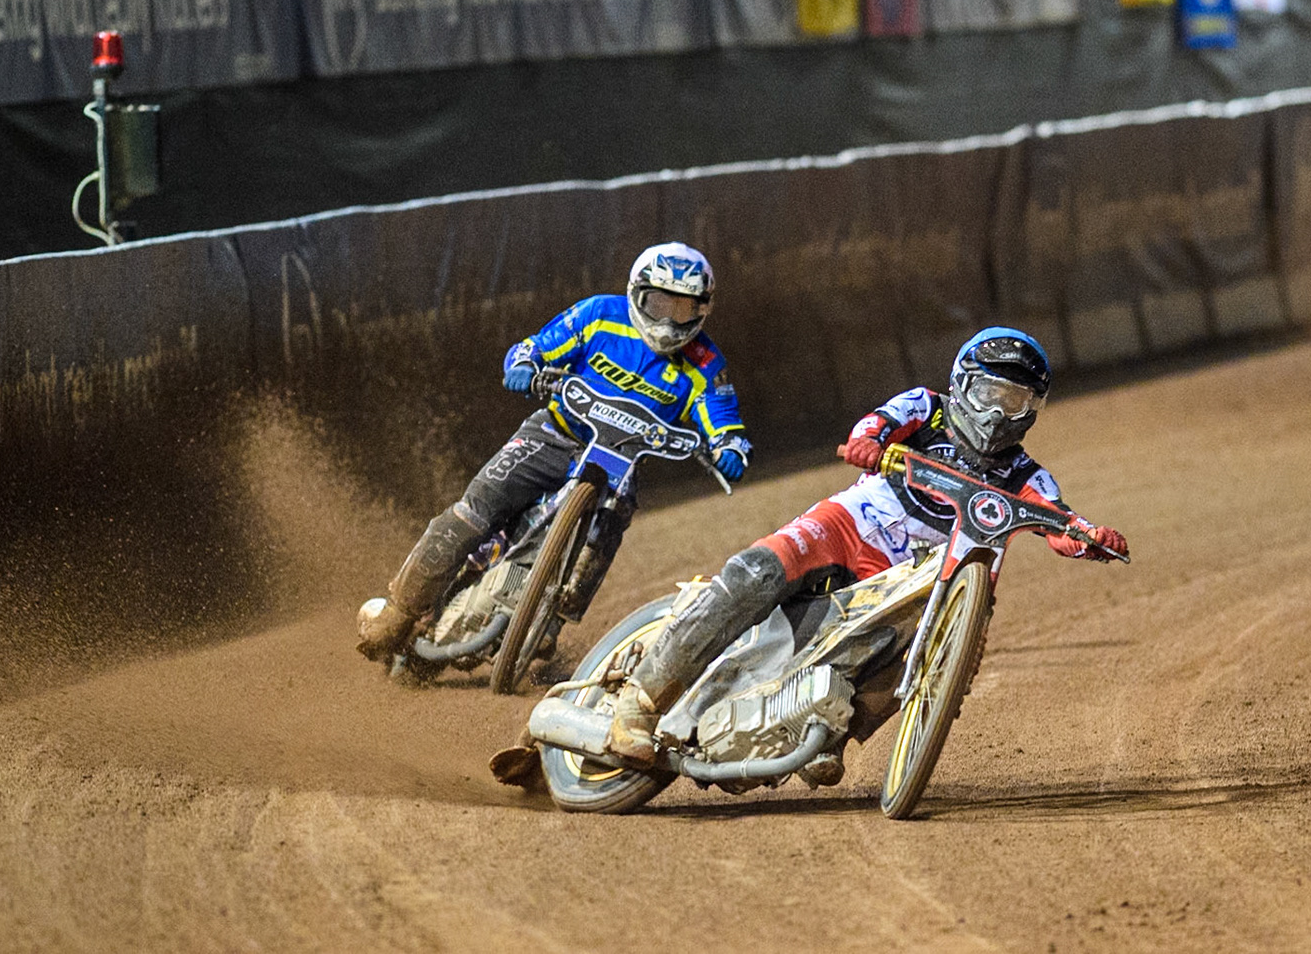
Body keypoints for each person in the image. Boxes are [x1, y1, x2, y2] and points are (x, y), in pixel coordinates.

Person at [601, 327, 1129, 772]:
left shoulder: (1025, 473)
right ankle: (638, 705)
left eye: (1015, 401)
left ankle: (821, 734)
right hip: (852, 526)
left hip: (916, 580)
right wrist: (869, 444)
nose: (999, 413)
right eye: (991, 393)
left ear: (1033, 410)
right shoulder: (927, 408)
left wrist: (1090, 538)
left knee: (927, 663)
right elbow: (873, 426)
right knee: (756, 572)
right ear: (963, 384)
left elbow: (1061, 522)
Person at [356, 244, 752, 663]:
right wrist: (524, 365)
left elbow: (724, 418)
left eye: (684, 308)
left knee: (608, 528)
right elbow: (536, 346)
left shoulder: (706, 362)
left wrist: (729, 448)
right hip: (553, 435)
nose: (670, 319)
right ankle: (398, 613)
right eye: (660, 302)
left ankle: (549, 624)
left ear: (703, 309)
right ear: (637, 293)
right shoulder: (599, 314)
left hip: (619, 465)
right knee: (474, 511)